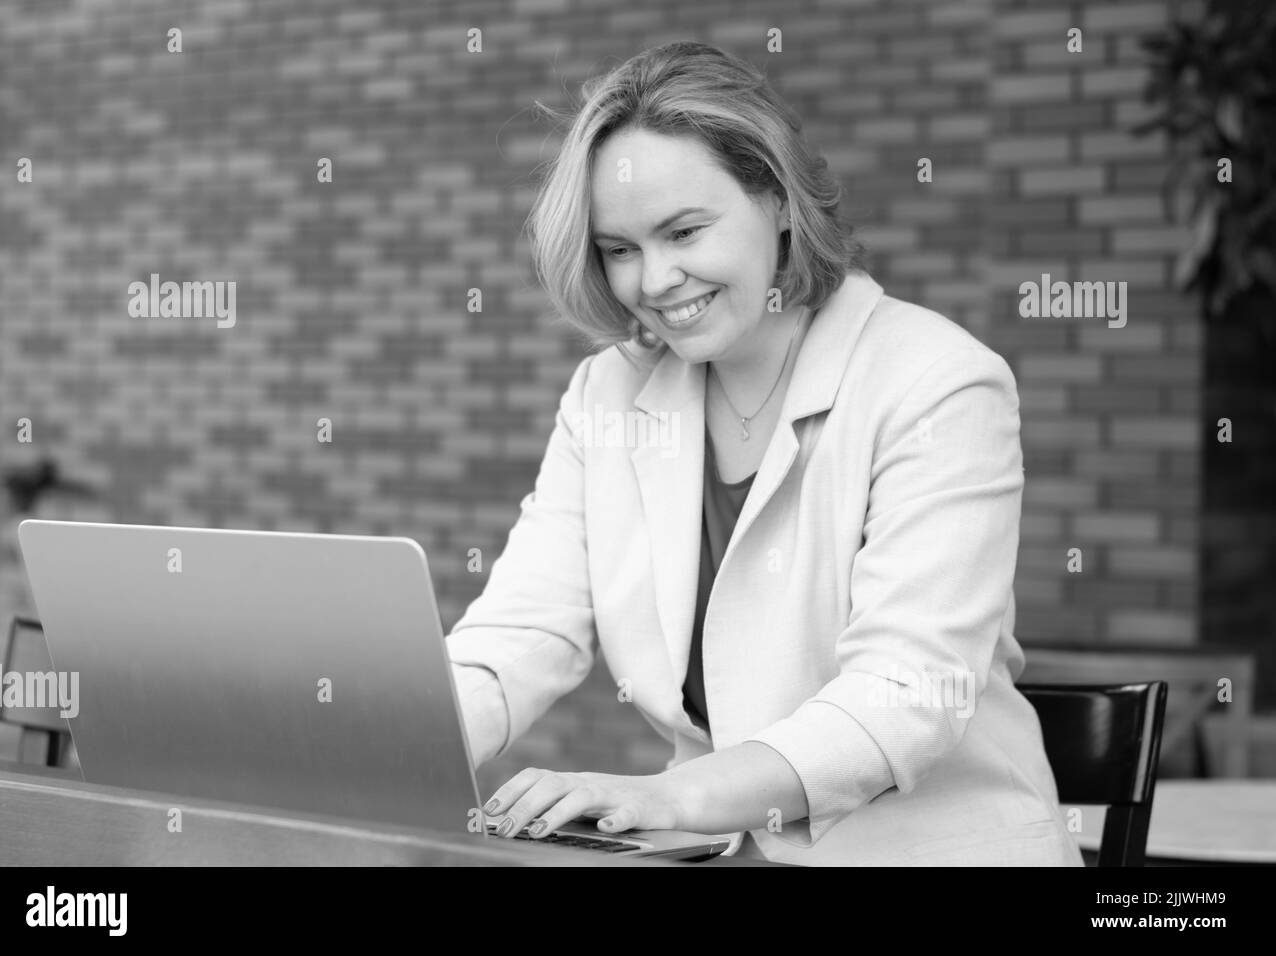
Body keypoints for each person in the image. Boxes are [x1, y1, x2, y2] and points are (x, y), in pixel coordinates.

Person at [446, 41, 1083, 866]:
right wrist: (384, 741)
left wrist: (665, 796)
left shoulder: (937, 382)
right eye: (620, 248)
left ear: (778, 201)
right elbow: (521, 635)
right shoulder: (609, 394)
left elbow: (904, 696)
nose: (656, 280)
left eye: (684, 231)